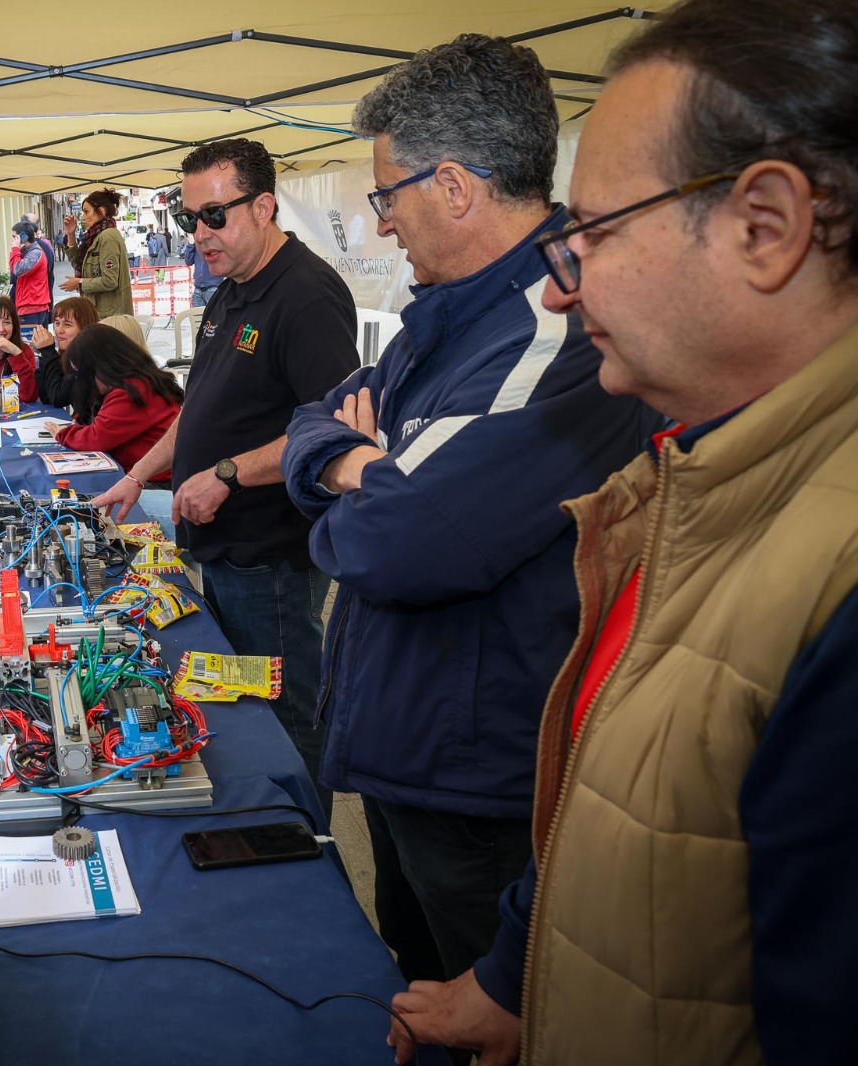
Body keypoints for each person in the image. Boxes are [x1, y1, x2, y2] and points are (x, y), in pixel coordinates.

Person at [386, 3, 858, 1064]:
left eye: (595, 234)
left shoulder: (830, 576)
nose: (562, 285)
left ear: (766, 227)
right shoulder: (706, 480)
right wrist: (516, 975)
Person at [281, 34, 662, 998]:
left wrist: (357, 484)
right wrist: (357, 465)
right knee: (415, 984)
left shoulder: (555, 333)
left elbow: (395, 542)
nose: (382, 226)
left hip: (477, 784)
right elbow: (315, 420)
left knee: (492, 1008)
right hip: (408, 753)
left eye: (387, 197)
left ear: (452, 186)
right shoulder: (444, 317)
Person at [90, 138, 358, 814]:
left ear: (263, 207)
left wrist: (230, 474)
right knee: (246, 705)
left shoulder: (306, 296)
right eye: (190, 218)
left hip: (272, 556)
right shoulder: (231, 290)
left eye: (215, 215)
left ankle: (307, 838)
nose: (199, 234)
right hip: (226, 548)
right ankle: (266, 816)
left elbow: (333, 430)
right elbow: (201, 409)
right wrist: (138, 475)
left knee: (285, 710)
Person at [47, 323, 180, 477]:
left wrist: (63, 433)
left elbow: (97, 437)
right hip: (149, 473)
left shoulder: (131, 392)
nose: (84, 381)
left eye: (82, 373)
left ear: (101, 367)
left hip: (152, 479)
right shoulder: (139, 382)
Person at [59, 188, 132, 317]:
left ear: (101, 212)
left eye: (87, 212)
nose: (83, 217)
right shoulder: (94, 236)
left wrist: (79, 282)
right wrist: (70, 234)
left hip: (110, 316)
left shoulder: (107, 236)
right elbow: (79, 264)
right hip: (98, 312)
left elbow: (110, 280)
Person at [31, 294, 99, 409]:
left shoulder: (87, 360)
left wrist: (48, 351)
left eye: (67, 324)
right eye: (57, 323)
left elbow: (58, 398)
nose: (59, 330)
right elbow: (46, 396)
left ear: (85, 328)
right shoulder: (67, 355)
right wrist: (43, 353)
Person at [9, 220, 51, 326]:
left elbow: (17, 270)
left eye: (14, 237)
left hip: (33, 308)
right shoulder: (27, 252)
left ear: (23, 237)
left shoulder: (35, 253)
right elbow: (14, 269)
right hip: (29, 307)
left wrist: (15, 249)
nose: (12, 241)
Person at [181, 238, 219, 306]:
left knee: (214, 312)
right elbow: (188, 261)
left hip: (213, 287)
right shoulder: (196, 245)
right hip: (198, 288)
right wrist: (191, 244)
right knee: (196, 312)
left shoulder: (215, 242)